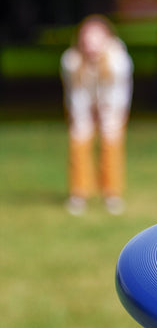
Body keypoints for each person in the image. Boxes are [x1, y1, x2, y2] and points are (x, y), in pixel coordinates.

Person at [60, 14, 133, 215]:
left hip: (112, 106)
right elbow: (76, 93)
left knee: (111, 144)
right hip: (82, 106)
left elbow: (118, 93)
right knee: (79, 141)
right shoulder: (71, 60)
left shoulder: (118, 60)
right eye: (87, 38)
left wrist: (106, 113)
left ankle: (112, 193)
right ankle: (79, 193)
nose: (91, 43)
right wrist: (84, 115)